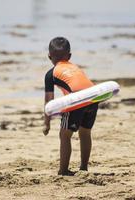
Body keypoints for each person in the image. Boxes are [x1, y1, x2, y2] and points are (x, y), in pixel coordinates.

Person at [43, 37, 98, 176]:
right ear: (70, 56)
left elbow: (49, 101)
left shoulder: (51, 74)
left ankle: (63, 170)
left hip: (77, 100)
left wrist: (47, 123)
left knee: (64, 135)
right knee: (85, 132)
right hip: (93, 97)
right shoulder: (76, 67)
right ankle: (84, 167)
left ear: (49, 56)